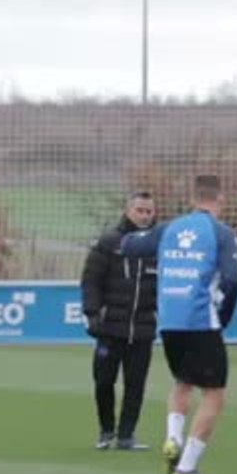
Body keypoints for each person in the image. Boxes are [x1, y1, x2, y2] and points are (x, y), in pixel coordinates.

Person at [120, 174, 237, 474]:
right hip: (201, 321)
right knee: (214, 395)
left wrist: (125, 234)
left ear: (193, 198)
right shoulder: (222, 233)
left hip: (170, 322)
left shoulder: (169, 228)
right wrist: (223, 317)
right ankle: (186, 468)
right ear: (220, 199)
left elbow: (129, 246)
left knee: (183, 382)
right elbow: (232, 280)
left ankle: (173, 436)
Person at [80, 191, 158, 450]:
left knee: (135, 385)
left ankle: (126, 436)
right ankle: (106, 431)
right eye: (140, 210)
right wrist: (92, 314)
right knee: (103, 380)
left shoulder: (160, 245)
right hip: (109, 328)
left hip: (143, 330)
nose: (145, 216)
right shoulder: (109, 242)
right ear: (128, 211)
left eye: (149, 211)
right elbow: (90, 281)